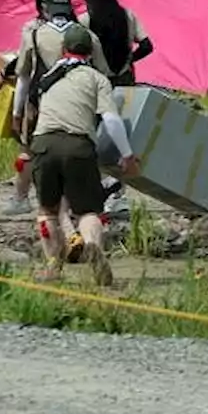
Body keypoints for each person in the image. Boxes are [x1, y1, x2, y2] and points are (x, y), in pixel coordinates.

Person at [30, 24, 139, 285]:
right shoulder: (96, 78)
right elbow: (111, 120)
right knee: (88, 211)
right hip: (78, 146)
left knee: (47, 211)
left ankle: (53, 266)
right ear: (90, 52)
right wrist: (127, 155)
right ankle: (92, 245)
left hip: (43, 143)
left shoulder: (49, 76)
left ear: (63, 49)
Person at [6, 0, 110, 216]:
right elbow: (103, 72)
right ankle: (70, 204)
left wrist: (17, 111)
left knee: (28, 152)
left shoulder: (34, 34)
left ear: (44, 7)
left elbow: (23, 76)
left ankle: (20, 198)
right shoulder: (87, 35)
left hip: (41, 102)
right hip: (80, 103)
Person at [78, 0, 153, 88]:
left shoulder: (84, 21)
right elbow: (147, 46)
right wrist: (130, 60)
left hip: (99, 83)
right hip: (125, 80)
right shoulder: (127, 15)